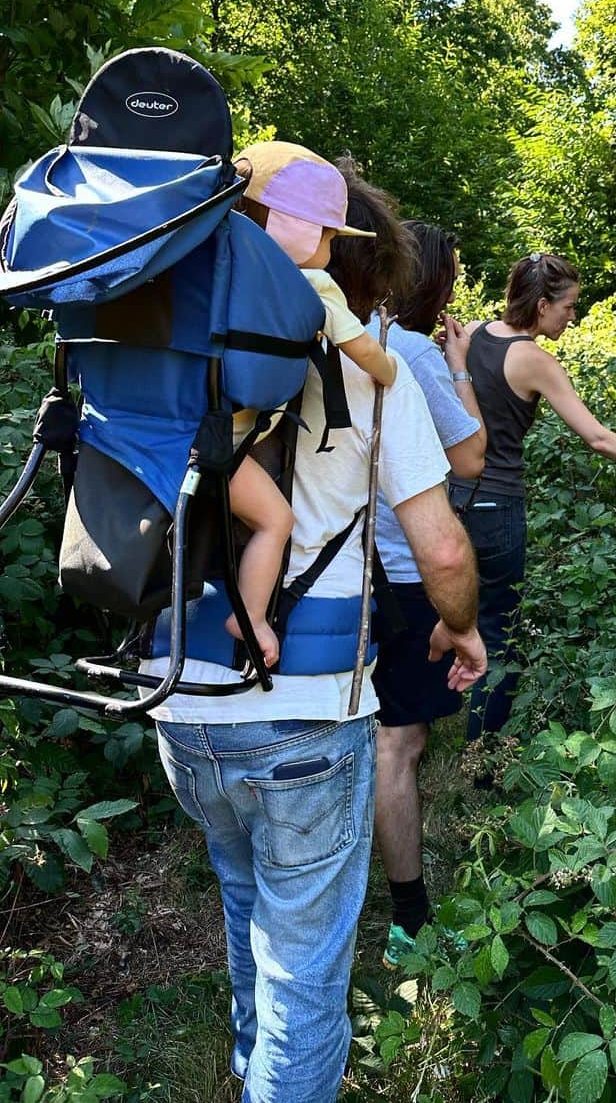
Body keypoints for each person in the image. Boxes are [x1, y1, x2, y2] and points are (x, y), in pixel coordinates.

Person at [142, 168, 486, 1103]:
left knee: (246, 896)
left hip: (180, 697)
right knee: (305, 955)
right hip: (305, 710)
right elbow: (443, 547)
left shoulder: (182, 349)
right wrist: (461, 629)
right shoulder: (371, 369)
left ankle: (254, 1067)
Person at [450, 251, 616, 741]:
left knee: (449, 614)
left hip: (450, 498)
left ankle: (422, 724)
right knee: (500, 634)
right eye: (568, 307)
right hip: (498, 507)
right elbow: (598, 438)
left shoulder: (469, 334)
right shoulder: (534, 359)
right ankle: (484, 761)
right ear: (541, 306)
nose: (573, 317)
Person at [226, 141, 396, 668]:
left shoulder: (217, 262)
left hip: (156, 429)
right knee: (276, 520)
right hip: (219, 444)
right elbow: (363, 350)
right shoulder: (311, 282)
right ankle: (250, 619)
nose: (329, 246)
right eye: (326, 233)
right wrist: (390, 369)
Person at [367, 221, 487, 966]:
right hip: (410, 571)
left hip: (358, 563)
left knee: (380, 733)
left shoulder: (351, 333)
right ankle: (408, 914)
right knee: (398, 744)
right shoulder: (408, 351)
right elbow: (471, 457)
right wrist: (462, 363)